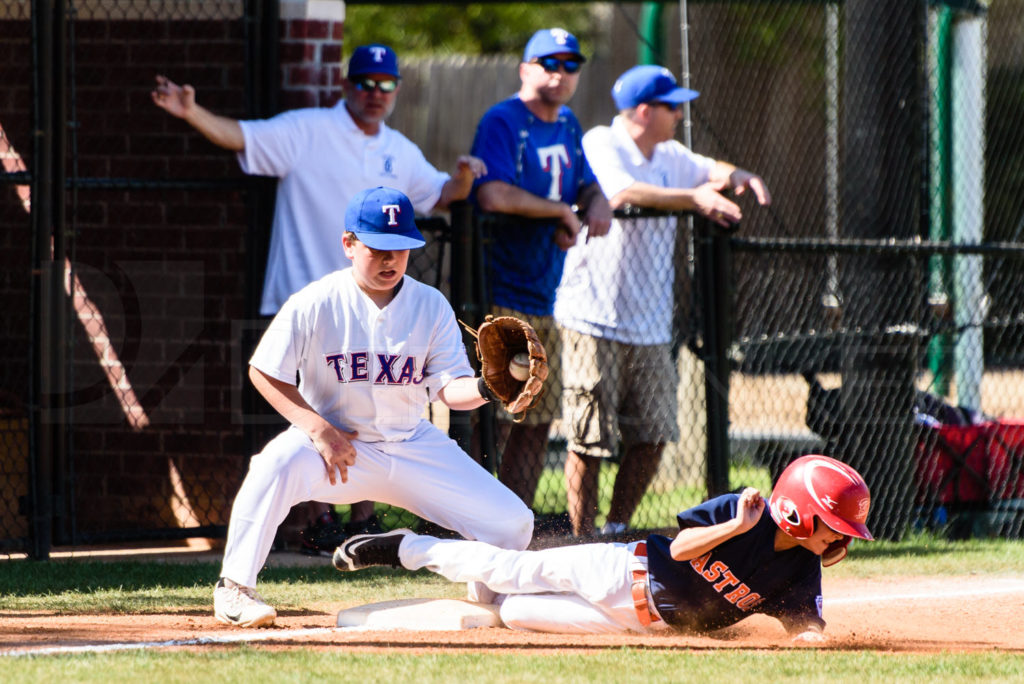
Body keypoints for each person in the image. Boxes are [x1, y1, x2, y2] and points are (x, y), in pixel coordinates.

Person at [152, 44, 487, 544]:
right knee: (315, 416)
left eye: (386, 84)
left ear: (397, 90)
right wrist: (191, 110)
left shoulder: (398, 149)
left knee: (373, 403)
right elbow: (241, 136)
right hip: (310, 300)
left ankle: (361, 521)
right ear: (346, 86)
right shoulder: (307, 129)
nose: (376, 93)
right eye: (366, 83)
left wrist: (462, 178)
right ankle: (316, 521)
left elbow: (440, 193)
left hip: (375, 302)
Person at [211, 187, 532, 628]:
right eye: (378, 247)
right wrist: (317, 430)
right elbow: (264, 371)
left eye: (400, 249)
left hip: (412, 443)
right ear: (348, 244)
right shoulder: (316, 301)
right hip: (340, 448)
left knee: (512, 522)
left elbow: (447, 388)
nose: (391, 260)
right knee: (273, 465)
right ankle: (235, 588)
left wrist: (487, 387)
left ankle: (486, 592)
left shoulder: (429, 304)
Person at [555, 65, 773, 536]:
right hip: (594, 315)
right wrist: (696, 199)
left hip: (650, 324)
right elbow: (622, 191)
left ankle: (615, 530)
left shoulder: (670, 154)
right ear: (643, 110)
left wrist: (738, 174)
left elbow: (709, 168)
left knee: (655, 433)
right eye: (672, 105)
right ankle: (580, 537)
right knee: (589, 439)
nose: (679, 112)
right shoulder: (602, 141)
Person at [334, 454, 873, 641]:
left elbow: (807, 623)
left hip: (638, 625)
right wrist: (734, 527)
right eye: (832, 525)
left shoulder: (801, 571)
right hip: (620, 572)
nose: (838, 538)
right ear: (796, 507)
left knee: (514, 614)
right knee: (509, 572)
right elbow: (683, 549)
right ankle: (407, 547)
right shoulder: (744, 512)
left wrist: (810, 641)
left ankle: (468, 583)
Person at [470, 28, 612, 509]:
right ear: (525, 68)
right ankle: (466, 524)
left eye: (571, 64)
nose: (561, 73)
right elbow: (492, 193)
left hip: (547, 295)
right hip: (499, 295)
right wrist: (557, 210)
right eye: (548, 63)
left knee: (537, 420)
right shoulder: (503, 120)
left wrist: (596, 202)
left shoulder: (568, 123)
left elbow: (586, 184)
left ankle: (515, 524)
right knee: (487, 416)